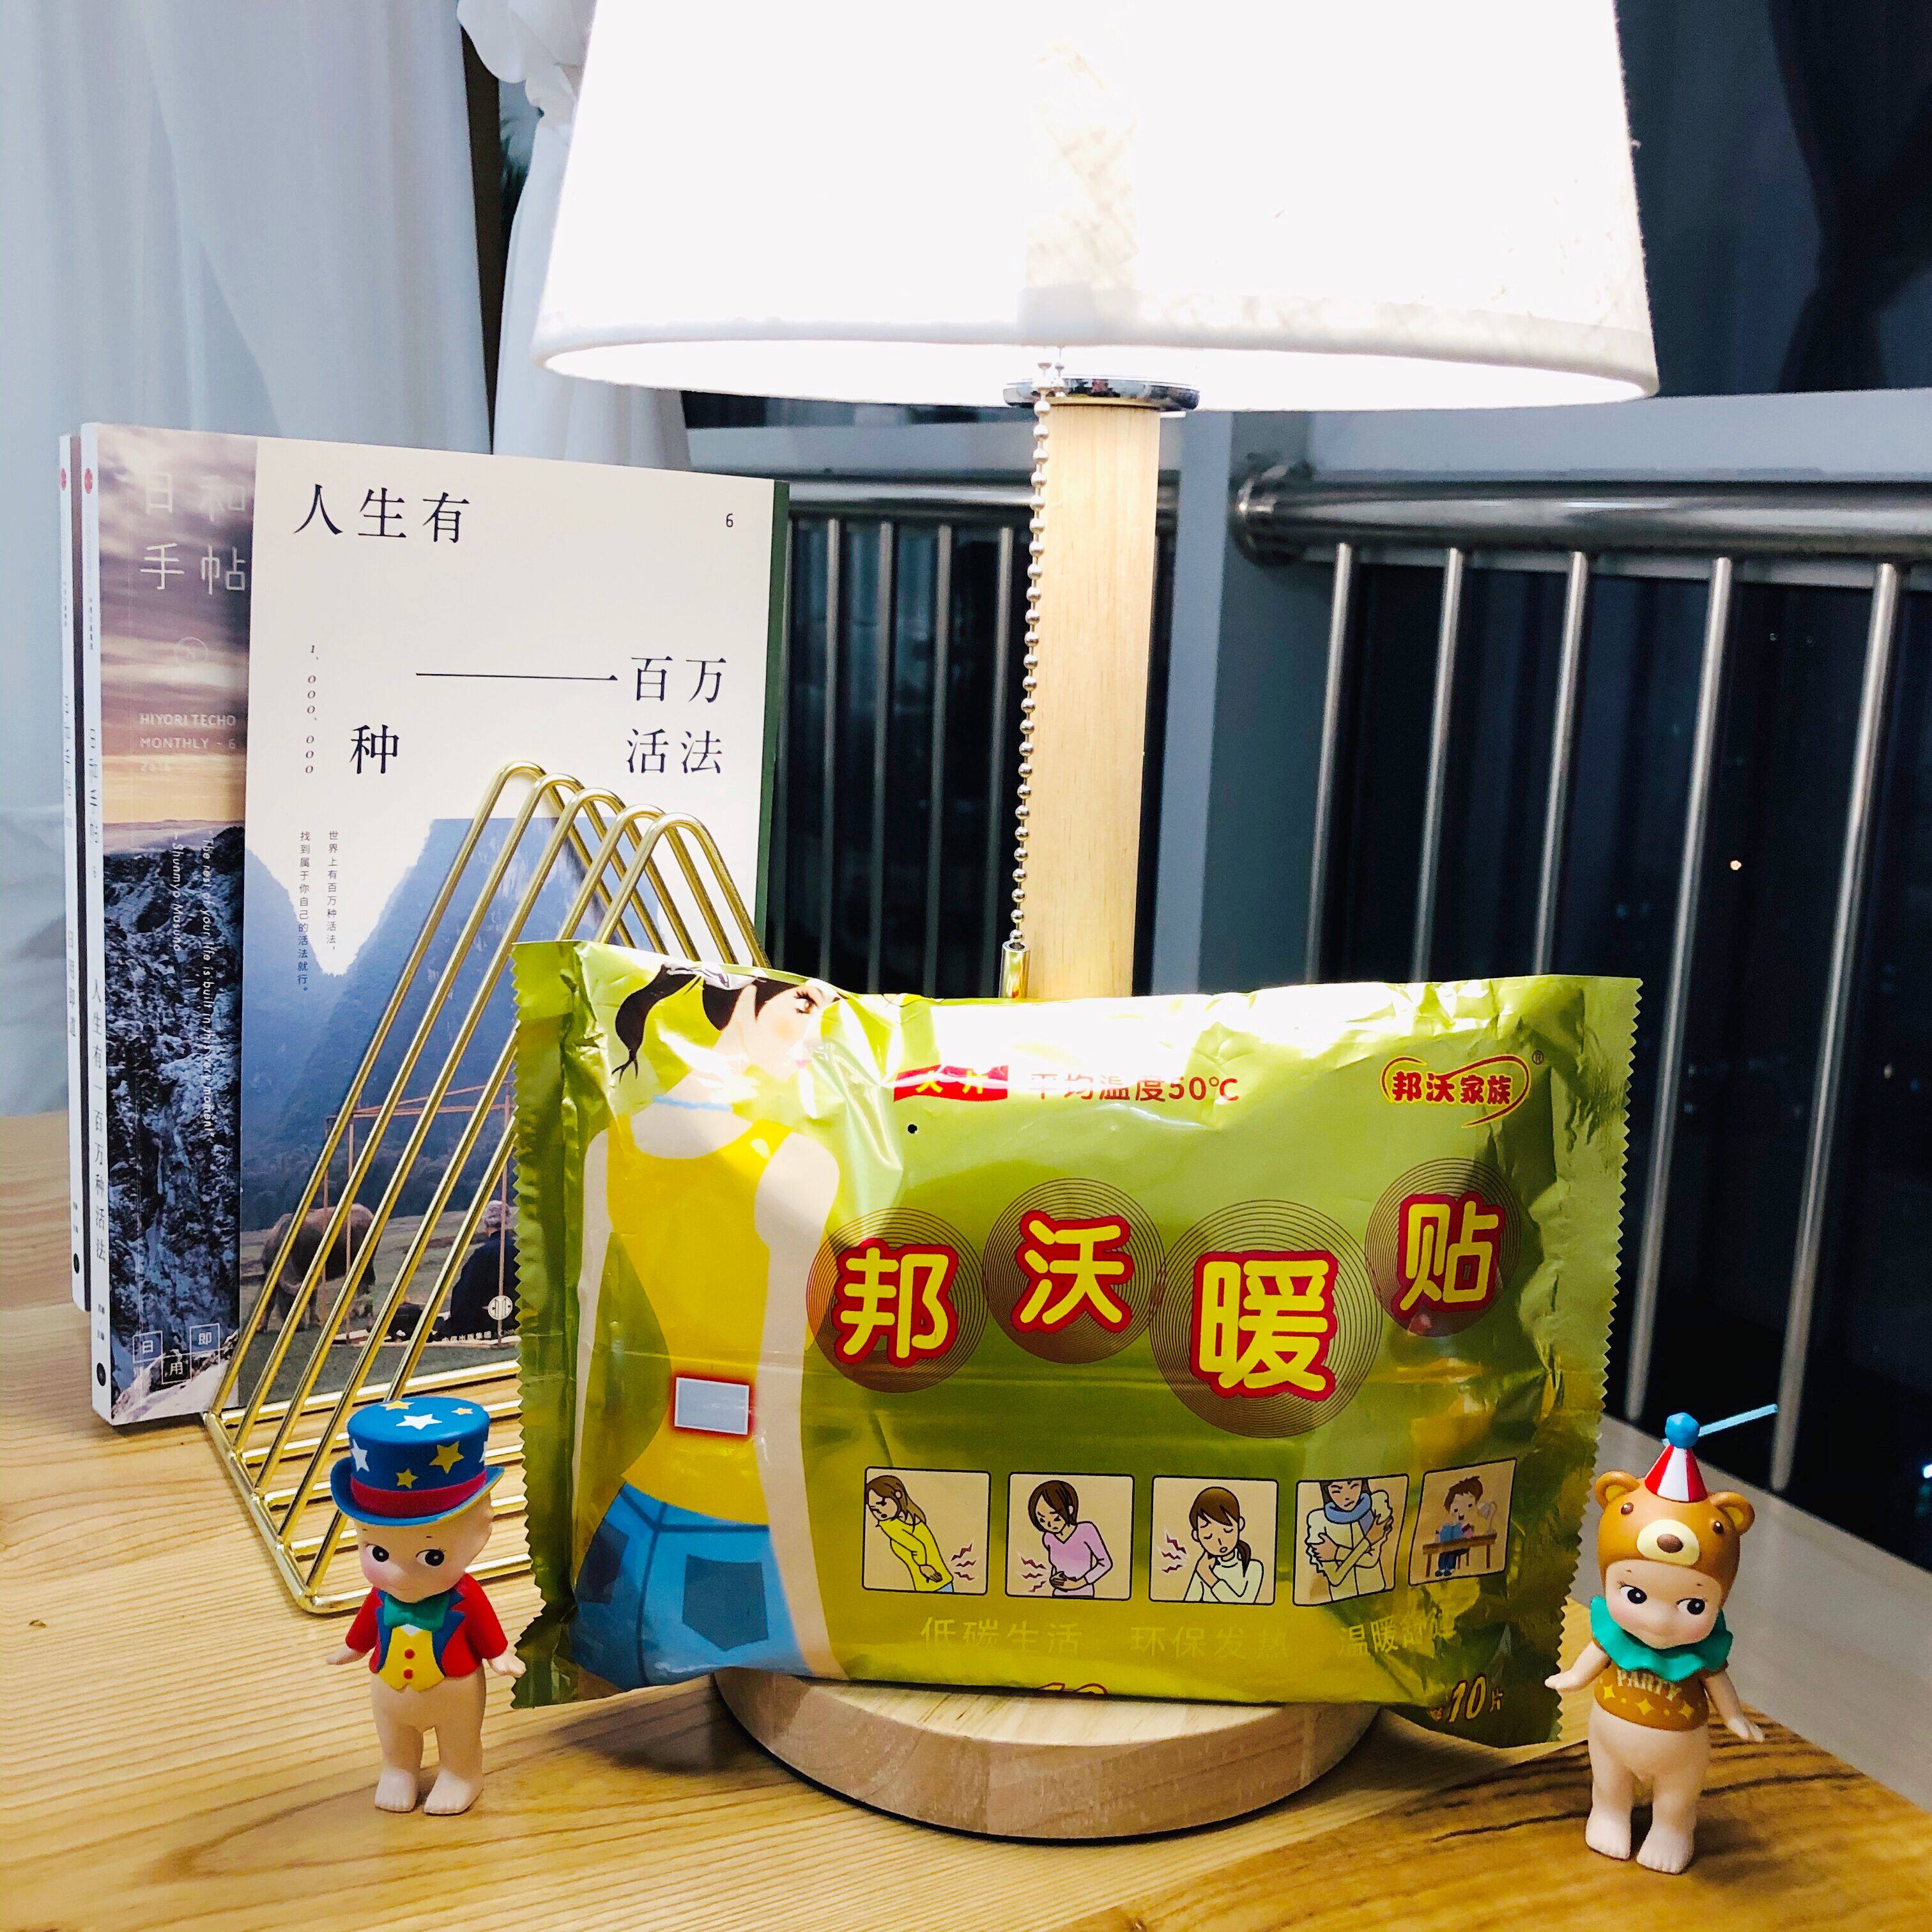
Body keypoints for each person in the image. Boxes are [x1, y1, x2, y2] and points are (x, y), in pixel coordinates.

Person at [571, 967, 845, 1687]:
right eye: (804, 1004)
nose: (817, 1035)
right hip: (747, 1537)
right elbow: (775, 1402)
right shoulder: (796, 1164)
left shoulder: (611, 1147)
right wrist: (816, 1629)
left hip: (625, 1535)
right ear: (745, 1001)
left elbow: (584, 1372)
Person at [1303, 1476, 1395, 1600]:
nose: (1347, 1496)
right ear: (1327, 1492)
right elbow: (1335, 1578)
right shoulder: (1319, 1521)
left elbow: (1371, 1559)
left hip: (1376, 1596)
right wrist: (1368, 1541)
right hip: (1340, 1602)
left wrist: (1336, 1552)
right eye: (1337, 1491)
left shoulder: (1375, 1507)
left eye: (1354, 1486)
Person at [864, 1474, 953, 1591]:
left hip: (933, 1582)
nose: (879, 1511)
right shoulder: (895, 1523)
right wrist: (923, 1566)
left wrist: (924, 1566)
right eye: (874, 1509)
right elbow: (919, 1546)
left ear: (898, 1495)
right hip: (936, 1581)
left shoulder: (906, 1519)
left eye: (883, 1504)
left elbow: (920, 1547)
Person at [1029, 1478, 1113, 1597]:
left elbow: (1105, 1563)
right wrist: (1054, 1579)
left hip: (1084, 1594)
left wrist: (1078, 1583)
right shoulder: (1048, 1538)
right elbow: (1056, 1566)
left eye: (1056, 1518)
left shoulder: (1086, 1530)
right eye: (1042, 1520)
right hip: (1058, 1593)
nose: (1049, 1525)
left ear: (1069, 1510)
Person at [1184, 1486, 1266, 1604]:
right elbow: (1187, 1606)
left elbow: (1243, 1605)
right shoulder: (1204, 1568)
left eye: (1227, 1531)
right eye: (1208, 1536)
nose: (1220, 1541)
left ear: (1240, 1524)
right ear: (1196, 1536)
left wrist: (1209, 1577)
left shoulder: (1253, 1568)